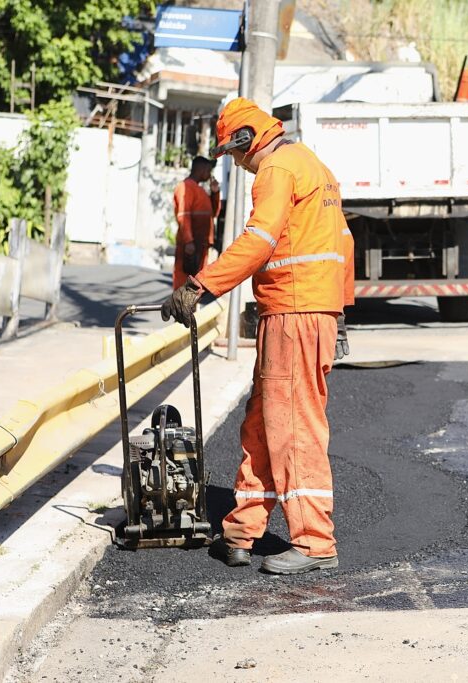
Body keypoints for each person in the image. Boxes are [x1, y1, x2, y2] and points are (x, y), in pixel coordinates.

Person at [161, 97, 353, 574]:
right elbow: (344, 241)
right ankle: (242, 530)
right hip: (306, 309)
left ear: (247, 140)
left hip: (294, 310)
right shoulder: (313, 165)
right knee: (262, 424)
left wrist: (200, 285)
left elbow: (260, 240)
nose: (237, 164)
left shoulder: (277, 171)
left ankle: (314, 543)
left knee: (292, 426)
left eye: (234, 153)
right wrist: (342, 310)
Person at [171, 156, 221, 289]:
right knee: (183, 281)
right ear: (202, 170)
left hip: (200, 244)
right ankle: (180, 308)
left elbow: (214, 213)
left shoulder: (199, 190)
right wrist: (188, 241)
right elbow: (183, 215)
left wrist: (215, 193)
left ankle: (190, 308)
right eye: (209, 171)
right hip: (190, 246)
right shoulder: (185, 187)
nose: (210, 174)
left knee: (196, 283)